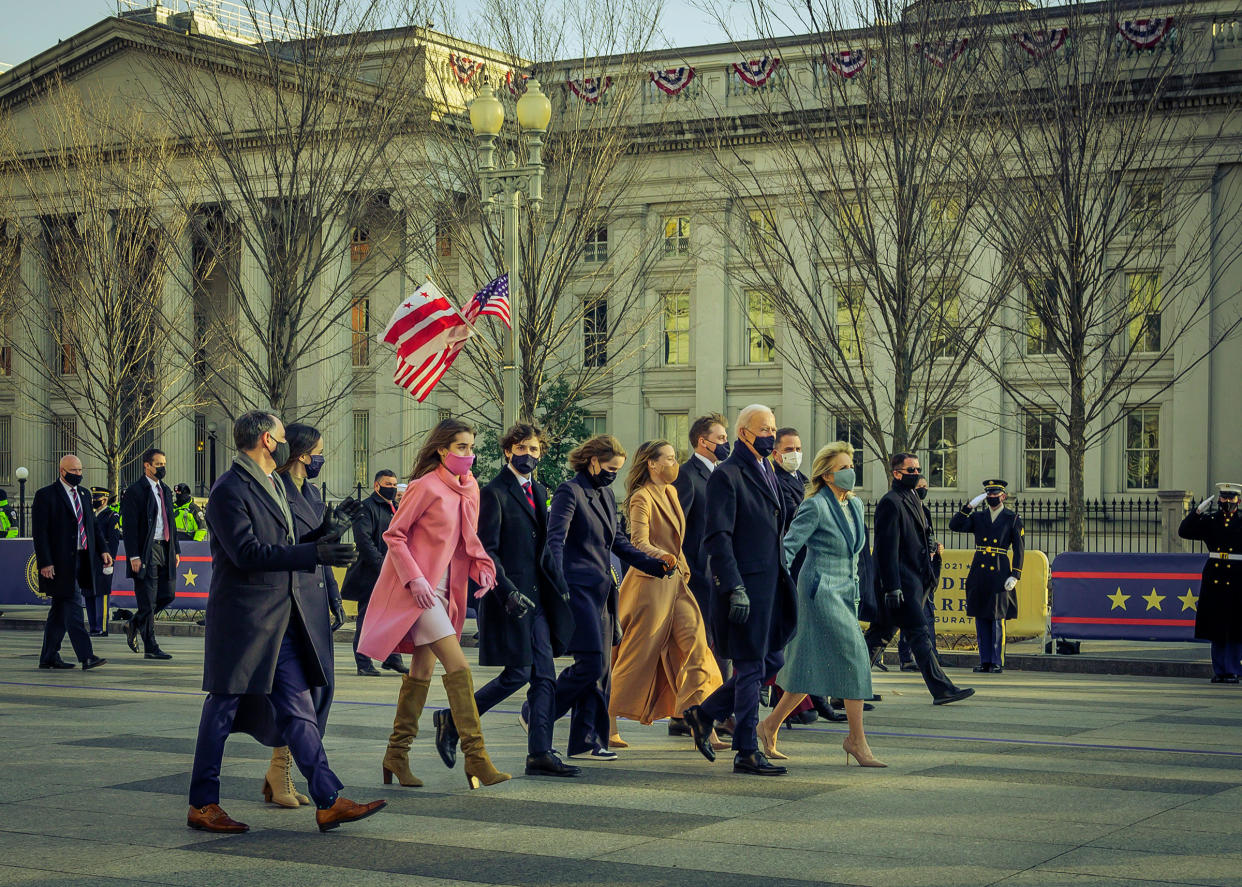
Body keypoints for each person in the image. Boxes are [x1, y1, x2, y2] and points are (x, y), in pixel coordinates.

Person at [187, 410, 382, 834]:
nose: (288, 445)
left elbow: (287, 544)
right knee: (221, 708)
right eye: (280, 436)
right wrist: (313, 553)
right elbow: (248, 554)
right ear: (268, 441)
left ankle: (328, 800)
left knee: (299, 708)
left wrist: (324, 533)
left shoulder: (272, 484)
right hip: (243, 621)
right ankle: (202, 803)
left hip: (279, 619)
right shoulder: (228, 490)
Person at [356, 418, 509, 790]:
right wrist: (414, 578)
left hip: (445, 592)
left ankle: (396, 754)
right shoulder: (425, 487)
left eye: (472, 447)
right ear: (442, 449)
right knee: (458, 666)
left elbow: (468, 540)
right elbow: (394, 535)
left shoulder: (469, 488)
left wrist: (483, 567)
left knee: (421, 673)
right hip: (418, 593)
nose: (468, 455)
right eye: (461, 447)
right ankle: (477, 757)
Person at [447, 423, 579, 778]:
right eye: (521, 449)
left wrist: (560, 584)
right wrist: (506, 591)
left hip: (537, 598)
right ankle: (454, 718)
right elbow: (486, 550)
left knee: (545, 676)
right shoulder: (494, 492)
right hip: (511, 598)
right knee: (519, 673)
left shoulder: (537, 489)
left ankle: (539, 752)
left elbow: (542, 548)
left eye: (534, 450)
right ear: (508, 451)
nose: (528, 456)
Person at [683, 404, 798, 776]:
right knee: (750, 668)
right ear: (744, 432)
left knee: (773, 660)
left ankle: (705, 713)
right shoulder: (727, 475)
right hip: (744, 589)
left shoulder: (767, 469)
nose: (771, 435)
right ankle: (746, 750)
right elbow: (717, 537)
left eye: (773, 428)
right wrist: (733, 587)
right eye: (765, 429)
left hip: (769, 587)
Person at [759, 442, 885, 766]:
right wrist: (775, 589)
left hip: (846, 592)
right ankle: (856, 741)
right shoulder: (815, 505)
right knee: (856, 658)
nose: (850, 472)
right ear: (827, 475)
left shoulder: (854, 505)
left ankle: (769, 726)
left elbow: (856, 553)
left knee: (806, 669)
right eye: (843, 468)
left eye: (851, 465)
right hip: (819, 591)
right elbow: (788, 548)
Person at [546, 434, 671, 760]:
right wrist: (558, 585)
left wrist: (654, 566)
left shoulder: (604, 494)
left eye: (618, 469)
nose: (613, 473)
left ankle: (587, 740)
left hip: (603, 592)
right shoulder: (568, 492)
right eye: (610, 467)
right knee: (592, 664)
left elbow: (619, 542)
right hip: (576, 590)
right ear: (592, 461)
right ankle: (538, 714)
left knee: (601, 671)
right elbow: (554, 541)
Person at [609, 441, 722, 744]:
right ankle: (607, 722)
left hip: (676, 583)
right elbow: (638, 541)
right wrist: (664, 557)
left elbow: (678, 541)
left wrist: (679, 563)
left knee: (698, 647)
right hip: (649, 586)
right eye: (670, 459)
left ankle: (701, 720)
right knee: (636, 657)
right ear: (652, 464)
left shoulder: (671, 492)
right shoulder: (641, 498)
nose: (675, 463)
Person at [266, 423, 351, 808]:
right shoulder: (276, 490)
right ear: (302, 454)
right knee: (296, 696)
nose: (321, 457)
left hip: (314, 599)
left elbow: (323, 551)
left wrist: (334, 596)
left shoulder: (312, 492)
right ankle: (280, 771)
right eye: (318, 450)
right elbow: (287, 549)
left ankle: (280, 772)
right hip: (289, 604)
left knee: (321, 690)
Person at [865, 453, 974, 705]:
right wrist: (892, 587)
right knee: (919, 633)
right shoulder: (890, 502)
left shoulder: (913, 499)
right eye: (910, 470)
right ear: (896, 473)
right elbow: (886, 549)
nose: (916, 473)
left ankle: (846, 689)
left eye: (918, 469)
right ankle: (942, 689)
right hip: (900, 586)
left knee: (878, 637)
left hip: (914, 582)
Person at [771, 426, 842, 725]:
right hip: (793, 566)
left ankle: (812, 698)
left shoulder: (803, 481)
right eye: (788, 449)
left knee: (808, 636)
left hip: (811, 566)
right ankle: (793, 703)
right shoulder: (774, 481)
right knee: (792, 638)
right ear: (776, 453)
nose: (795, 454)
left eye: (798, 448)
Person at [670, 412, 730, 737]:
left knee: (716, 643)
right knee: (701, 645)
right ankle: (705, 712)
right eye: (720, 438)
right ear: (701, 441)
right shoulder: (687, 476)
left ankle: (695, 711)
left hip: (720, 572)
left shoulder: (722, 474)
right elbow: (676, 527)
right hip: (697, 576)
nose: (725, 443)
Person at [32, 455, 110, 671]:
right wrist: (45, 563)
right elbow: (41, 533)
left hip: (81, 559)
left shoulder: (84, 494)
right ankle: (86, 656)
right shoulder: (46, 495)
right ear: (62, 470)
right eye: (73, 470)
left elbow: (92, 525)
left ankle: (48, 656)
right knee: (74, 606)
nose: (78, 474)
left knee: (59, 611)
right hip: (58, 564)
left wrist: (103, 549)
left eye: (80, 470)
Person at [950, 479, 1024, 674]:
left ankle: (996, 660)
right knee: (981, 616)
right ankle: (984, 660)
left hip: (999, 570)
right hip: (980, 570)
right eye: (989, 494)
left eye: (995, 494)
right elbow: (955, 525)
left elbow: (1019, 549)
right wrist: (968, 507)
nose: (992, 497)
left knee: (997, 617)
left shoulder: (1012, 518)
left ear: (1003, 496)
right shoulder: (978, 517)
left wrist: (1016, 574)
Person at [341, 469, 407, 676]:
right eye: (388, 483)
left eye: (395, 484)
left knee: (391, 617)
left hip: (393, 573)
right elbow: (363, 540)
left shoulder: (395, 508)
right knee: (367, 618)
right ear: (377, 485)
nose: (393, 488)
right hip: (371, 574)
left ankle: (392, 658)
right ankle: (363, 662)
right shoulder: (366, 508)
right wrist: (381, 564)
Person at [120, 448, 181, 660]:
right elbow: (129, 527)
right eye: (158, 464)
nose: (162, 468)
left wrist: (176, 549)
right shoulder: (136, 491)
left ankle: (134, 623)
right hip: (146, 551)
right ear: (147, 465)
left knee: (167, 594)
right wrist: (133, 556)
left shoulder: (164, 489)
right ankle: (151, 647)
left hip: (165, 547)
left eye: (164, 464)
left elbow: (170, 522)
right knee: (147, 599)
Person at [1179, 483, 1242, 683]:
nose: (1227, 502)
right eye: (1223, 498)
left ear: (1238, 501)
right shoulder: (1211, 520)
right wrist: (1197, 512)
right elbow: (1184, 531)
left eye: (1231, 498)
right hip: (1215, 576)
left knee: (1235, 626)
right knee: (1217, 625)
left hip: (1238, 576)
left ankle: (1233, 669)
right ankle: (1220, 670)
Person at [897, 476, 943, 672]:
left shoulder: (924, 511)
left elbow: (928, 535)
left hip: (924, 568)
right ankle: (907, 657)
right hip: (909, 571)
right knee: (905, 620)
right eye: (920, 487)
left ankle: (930, 661)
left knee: (924, 616)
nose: (923, 490)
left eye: (926, 486)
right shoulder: (902, 507)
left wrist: (933, 548)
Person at [88, 487, 121, 637]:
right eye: (93, 498)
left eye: (97, 498)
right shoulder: (91, 515)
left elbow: (113, 540)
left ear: (105, 499)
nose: (94, 501)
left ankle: (102, 627)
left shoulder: (111, 515)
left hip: (104, 559)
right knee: (88, 592)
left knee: (102, 592)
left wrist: (111, 560)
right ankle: (93, 626)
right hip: (89, 558)